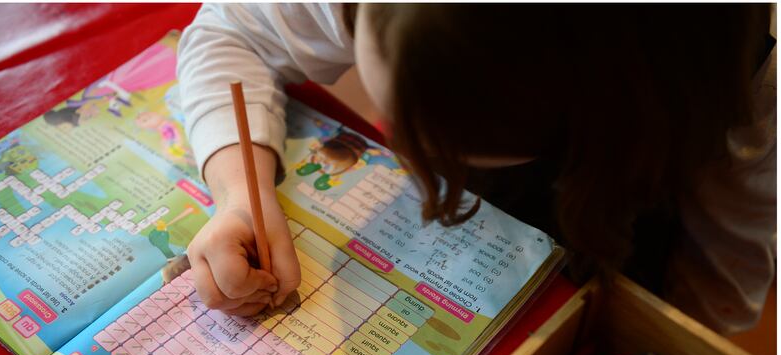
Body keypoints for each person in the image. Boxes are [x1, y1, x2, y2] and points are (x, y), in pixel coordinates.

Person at [177, 4, 775, 334]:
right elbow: (230, 33)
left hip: (628, 228)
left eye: (440, 137)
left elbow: (720, 289)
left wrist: (669, 346)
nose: (404, 142)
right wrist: (238, 191)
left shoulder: (733, 93)